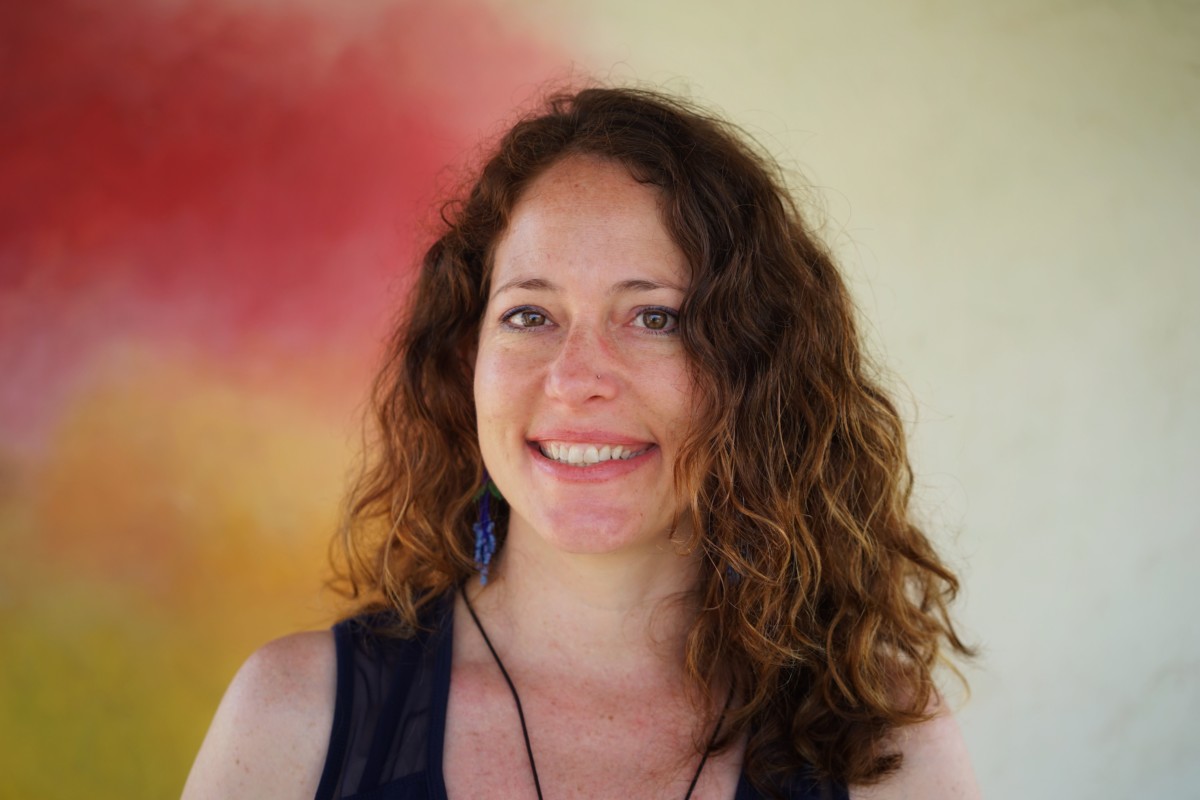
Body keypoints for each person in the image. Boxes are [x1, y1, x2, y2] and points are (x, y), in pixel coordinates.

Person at [183, 86, 980, 799]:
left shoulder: (885, 751)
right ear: (468, 360)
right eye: (531, 315)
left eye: (654, 317)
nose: (576, 378)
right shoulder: (294, 720)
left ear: (756, 370)